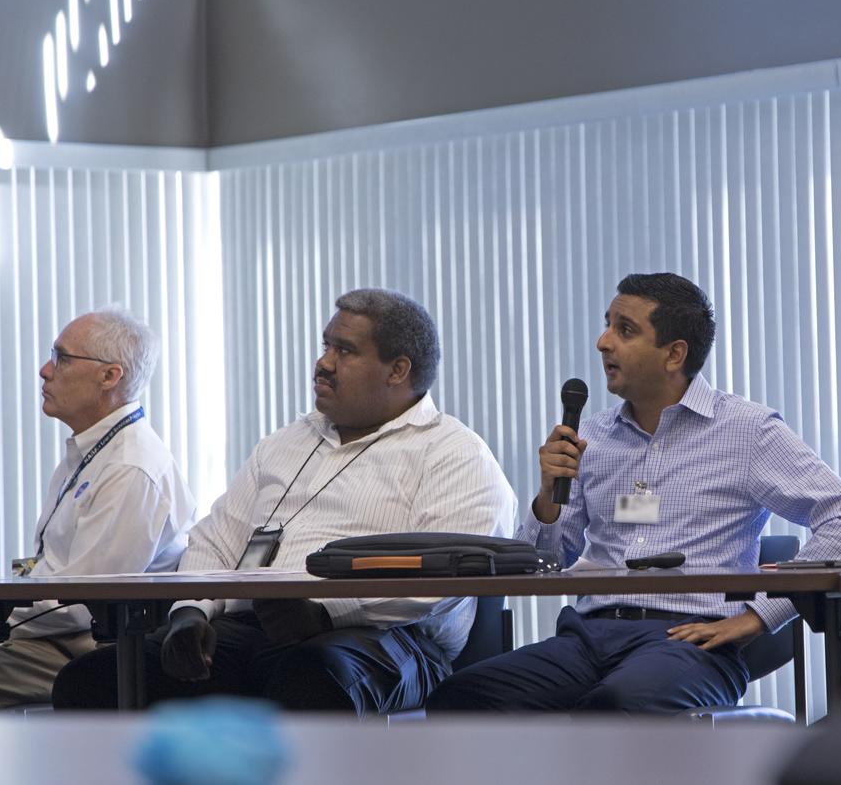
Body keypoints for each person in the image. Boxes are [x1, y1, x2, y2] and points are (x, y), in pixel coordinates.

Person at [427, 272, 841, 714]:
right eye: (606, 325)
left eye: (624, 330)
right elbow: (544, 564)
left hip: (687, 643)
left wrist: (761, 616)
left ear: (673, 354)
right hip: (587, 637)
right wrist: (548, 498)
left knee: (615, 706)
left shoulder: (746, 430)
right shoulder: (591, 435)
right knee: (462, 700)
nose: (603, 342)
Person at [53, 288, 517, 714]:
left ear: (398, 370)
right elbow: (217, 541)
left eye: (346, 351)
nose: (324, 364)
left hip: (388, 638)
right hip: (259, 626)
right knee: (94, 680)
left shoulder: (454, 452)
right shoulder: (285, 442)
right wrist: (191, 611)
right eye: (326, 346)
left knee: (310, 675)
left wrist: (326, 611)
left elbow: (442, 576)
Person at [0, 307, 196, 708]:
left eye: (61, 358)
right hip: (45, 636)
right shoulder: (89, 451)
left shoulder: (130, 467)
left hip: (84, 650)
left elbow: (80, 604)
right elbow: (52, 570)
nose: (44, 371)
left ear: (109, 376)